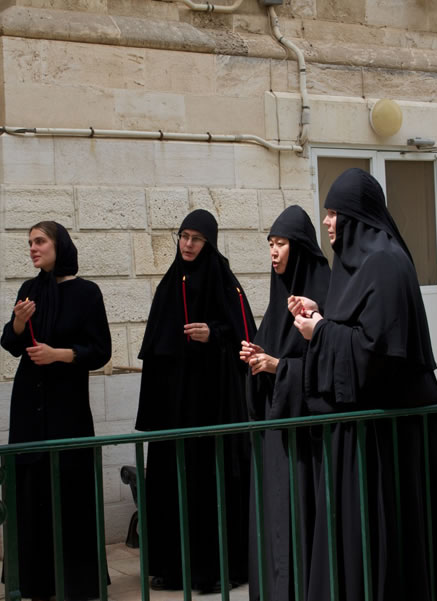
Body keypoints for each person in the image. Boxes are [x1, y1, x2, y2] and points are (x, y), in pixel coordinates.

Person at [290, 168, 437, 601]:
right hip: (368, 437)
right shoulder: (369, 263)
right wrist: (322, 313)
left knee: (378, 546)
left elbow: (377, 355)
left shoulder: (384, 263)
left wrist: (320, 331)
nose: (326, 222)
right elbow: (361, 325)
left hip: (382, 444)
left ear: (354, 217)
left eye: (333, 213)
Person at [136, 209, 256, 593]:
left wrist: (214, 333)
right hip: (175, 411)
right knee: (173, 486)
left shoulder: (224, 283)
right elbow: (156, 349)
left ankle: (218, 569)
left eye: (196, 238)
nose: (187, 245)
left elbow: (245, 337)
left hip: (213, 408)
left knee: (210, 486)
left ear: (209, 242)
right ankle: (174, 568)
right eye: (184, 236)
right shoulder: (170, 285)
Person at [0, 221, 111, 601]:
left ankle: (76, 583)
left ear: (58, 245)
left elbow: (100, 351)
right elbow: (10, 344)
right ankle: (33, 583)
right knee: (31, 487)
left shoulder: (86, 293)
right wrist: (19, 322)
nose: (33, 248)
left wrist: (59, 355)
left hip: (67, 405)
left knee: (69, 487)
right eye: (30, 242)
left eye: (40, 241)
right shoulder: (30, 290)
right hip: (28, 405)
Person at [240, 205, 330, 601]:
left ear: (300, 248)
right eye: (270, 244)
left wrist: (279, 367)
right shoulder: (279, 300)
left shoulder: (324, 293)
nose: (273, 252)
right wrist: (259, 360)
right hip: (277, 439)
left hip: (309, 447)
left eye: (281, 244)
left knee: (303, 523)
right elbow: (277, 354)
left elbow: (330, 367)